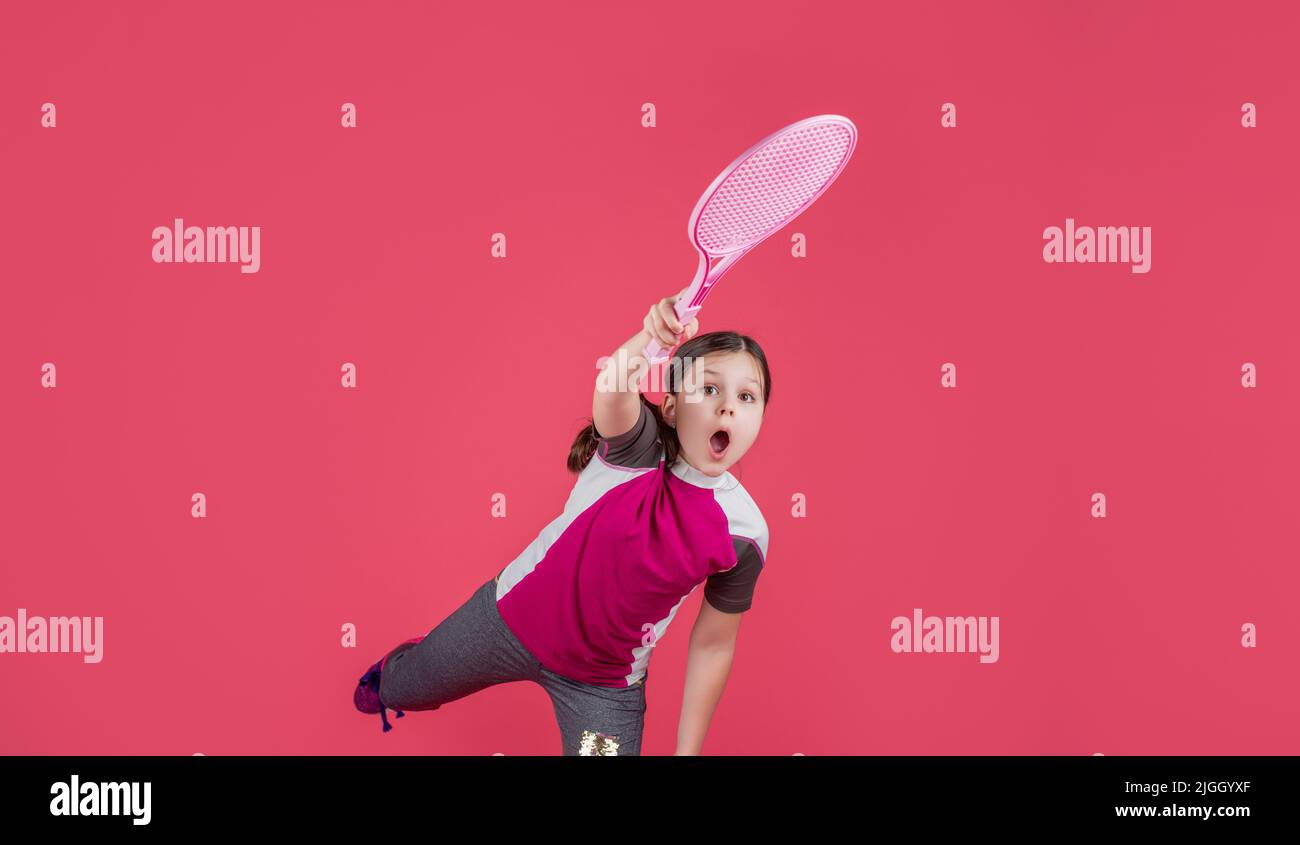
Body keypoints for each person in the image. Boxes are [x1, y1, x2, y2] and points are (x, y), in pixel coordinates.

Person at [354, 289, 772, 755]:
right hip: (506, 624)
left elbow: (714, 644)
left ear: (758, 421)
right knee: (406, 686)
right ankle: (398, 670)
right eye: (709, 388)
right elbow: (613, 385)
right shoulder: (637, 450)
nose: (727, 407)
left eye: (747, 396)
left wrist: (687, 752)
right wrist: (652, 338)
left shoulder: (745, 533)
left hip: (601, 690)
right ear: (671, 407)